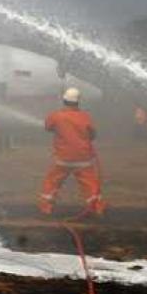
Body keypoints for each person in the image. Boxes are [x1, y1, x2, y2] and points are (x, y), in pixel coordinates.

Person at [37, 87, 106, 216]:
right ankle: (97, 208)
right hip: (83, 159)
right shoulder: (85, 117)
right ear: (78, 102)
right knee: (91, 184)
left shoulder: (56, 116)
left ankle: (45, 207)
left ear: (64, 100)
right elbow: (92, 134)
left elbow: (48, 127)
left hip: (63, 159)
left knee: (52, 182)